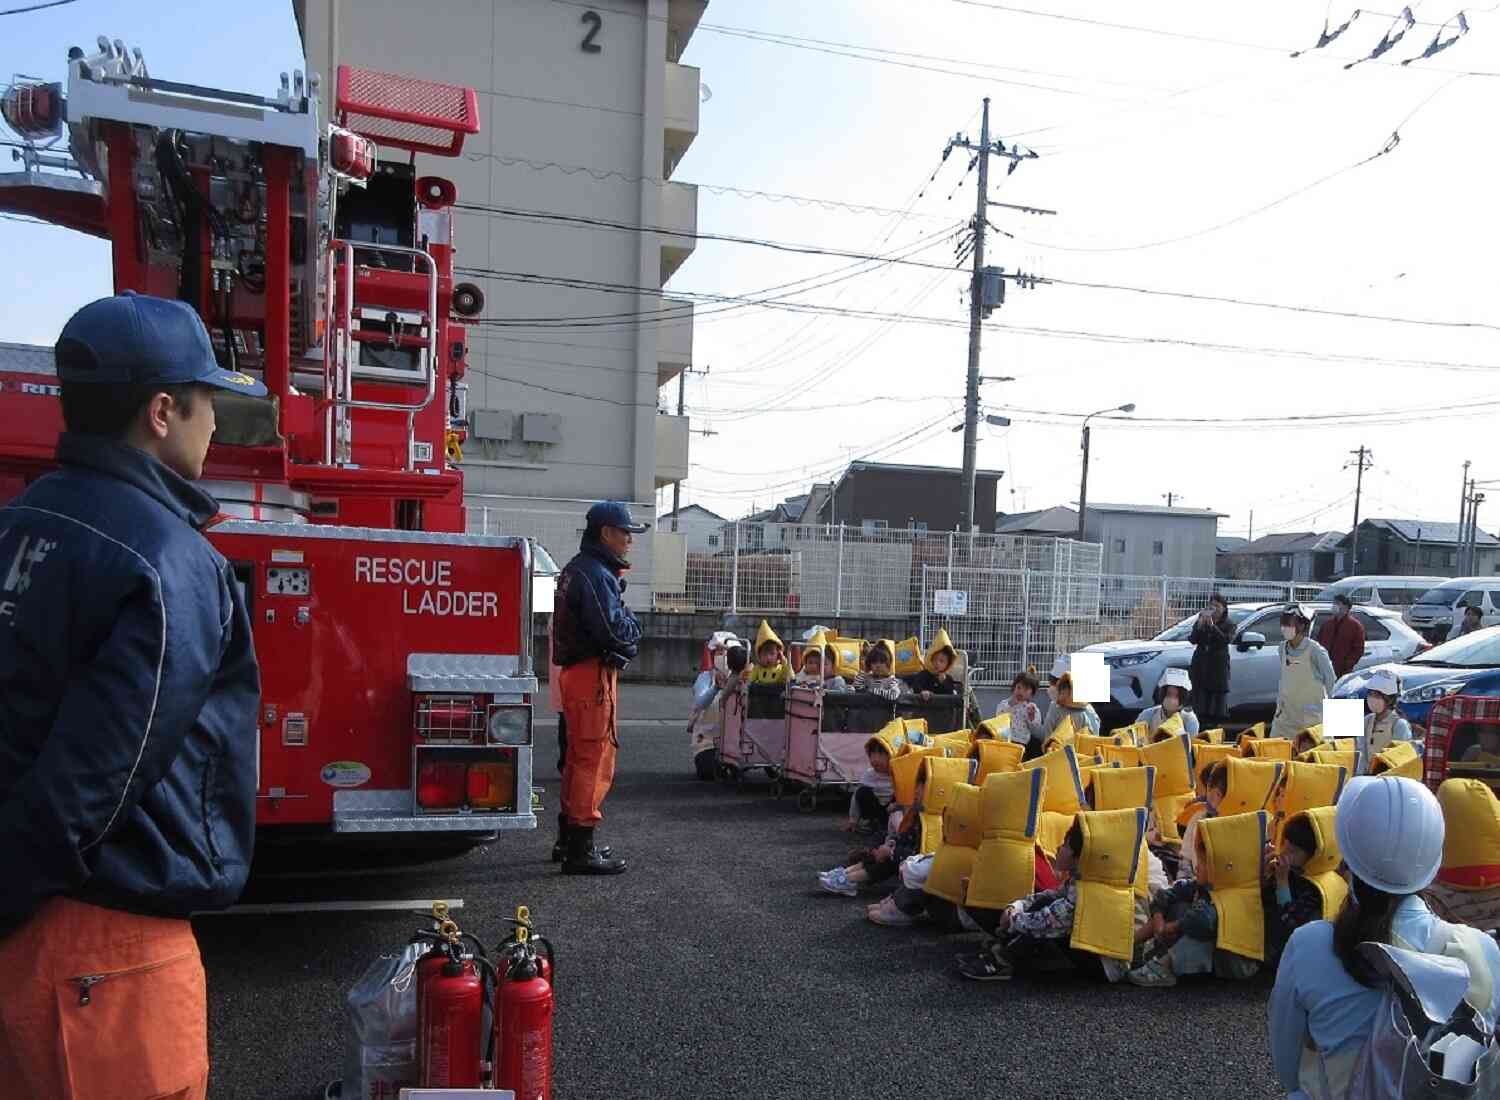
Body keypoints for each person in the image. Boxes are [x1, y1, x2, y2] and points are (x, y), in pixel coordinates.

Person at [0, 293, 264, 1100]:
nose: (214, 422)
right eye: (206, 400)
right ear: (161, 411)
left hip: (30, 939)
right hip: (105, 956)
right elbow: (98, 778)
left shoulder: (20, 519)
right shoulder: (167, 559)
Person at [1268, 776, 1500, 1097]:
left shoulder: (1309, 945)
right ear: (1432, 862)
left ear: (1347, 860)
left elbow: (1287, 1067)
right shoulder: (1485, 951)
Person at [552, 500, 647, 876]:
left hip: (579, 674)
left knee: (578, 758)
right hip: (592, 676)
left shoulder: (580, 570)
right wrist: (633, 629)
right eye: (626, 533)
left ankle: (569, 840)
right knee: (593, 758)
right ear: (607, 533)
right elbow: (615, 632)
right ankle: (581, 848)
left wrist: (626, 629)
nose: (629, 541)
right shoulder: (596, 574)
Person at [1260, 813, 1328, 967]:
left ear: (1313, 857)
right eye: (1284, 844)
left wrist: (1282, 882)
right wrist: (1265, 878)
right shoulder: (1291, 872)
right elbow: (1263, 903)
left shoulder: (1314, 890)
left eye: (1293, 851)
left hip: (1288, 955)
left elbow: (1289, 929)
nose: (1283, 852)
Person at [1270, 604, 1337, 741]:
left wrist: (1334, 722)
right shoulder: (1282, 648)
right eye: (1283, 623)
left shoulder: (1316, 651)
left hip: (1311, 720)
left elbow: (1332, 683)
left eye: (1289, 623)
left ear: (1302, 626)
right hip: (1285, 718)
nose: (1284, 627)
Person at [1189, 593, 1234, 725]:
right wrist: (1199, 625)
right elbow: (1193, 639)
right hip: (1201, 667)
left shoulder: (1229, 624)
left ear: (1224, 608)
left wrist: (1213, 627)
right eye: (1211, 605)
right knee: (1199, 705)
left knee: (1215, 709)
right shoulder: (1201, 619)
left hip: (1217, 669)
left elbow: (1225, 640)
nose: (1213, 608)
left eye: (1217, 606)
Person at [1360, 668, 1411, 772]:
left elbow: (1400, 760)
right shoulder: (1366, 721)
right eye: (1370, 694)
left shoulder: (1399, 725)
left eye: (1377, 695)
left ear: (1390, 699)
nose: (1372, 699)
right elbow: (1361, 754)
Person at [1040, 659, 1101, 739]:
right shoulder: (1089, 710)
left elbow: (1047, 736)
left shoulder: (1055, 708)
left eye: (1055, 683)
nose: (1051, 687)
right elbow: (1094, 738)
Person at [997, 667, 1047, 757]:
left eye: (1026, 690)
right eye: (1019, 688)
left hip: (1022, 743)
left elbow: (1035, 727)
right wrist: (1011, 705)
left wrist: (1031, 716)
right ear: (1014, 687)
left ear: (1031, 693)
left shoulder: (1031, 708)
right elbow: (999, 717)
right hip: (1005, 741)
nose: (1021, 692)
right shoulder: (1005, 703)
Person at [1137, 668, 1201, 737]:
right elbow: (1136, 739)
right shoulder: (1148, 714)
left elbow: (1191, 744)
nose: (1171, 700)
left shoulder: (1190, 720)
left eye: (1176, 696)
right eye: (1169, 694)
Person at [1315, 594, 1366, 680]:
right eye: (1334, 603)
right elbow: (1319, 644)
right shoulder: (1327, 625)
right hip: (1324, 668)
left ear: (1346, 607)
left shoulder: (1355, 626)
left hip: (1342, 671)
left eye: (1337, 603)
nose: (1334, 605)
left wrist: (1347, 665)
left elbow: (1358, 649)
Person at [907, 628, 961, 699]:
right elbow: (916, 686)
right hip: (924, 708)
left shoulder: (948, 679)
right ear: (930, 660)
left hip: (942, 708)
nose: (937, 663)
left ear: (948, 664)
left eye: (941, 661)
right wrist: (922, 692)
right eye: (934, 659)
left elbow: (950, 694)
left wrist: (943, 682)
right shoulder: (924, 674)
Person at [747, 620, 790, 686]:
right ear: (759, 656)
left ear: (778, 654)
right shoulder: (757, 669)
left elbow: (791, 678)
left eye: (772, 653)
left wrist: (784, 661)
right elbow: (749, 682)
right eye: (764, 654)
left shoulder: (781, 669)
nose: (768, 657)